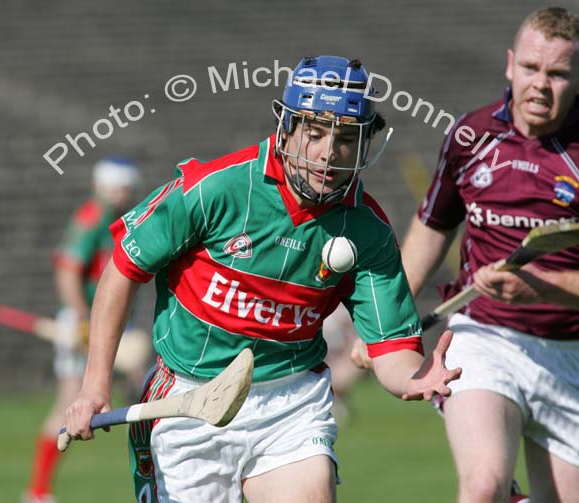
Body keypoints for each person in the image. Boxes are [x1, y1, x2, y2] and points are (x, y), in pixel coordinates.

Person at [65, 55, 461, 503]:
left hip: (290, 399)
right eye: (314, 133)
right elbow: (124, 267)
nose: (329, 152)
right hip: (189, 399)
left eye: (347, 138)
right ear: (286, 126)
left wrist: (414, 377)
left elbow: (391, 348)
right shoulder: (216, 188)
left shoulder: (367, 230)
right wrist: (95, 384)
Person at [400, 8, 579, 503]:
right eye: (530, 68)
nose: (540, 85)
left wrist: (541, 287)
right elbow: (432, 228)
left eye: (559, 73)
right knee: (482, 486)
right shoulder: (470, 136)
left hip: (570, 353)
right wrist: (384, 323)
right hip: (482, 336)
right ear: (509, 65)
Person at [23, 157, 141, 503]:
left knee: (144, 391)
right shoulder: (90, 219)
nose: (123, 194)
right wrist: (81, 319)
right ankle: (38, 492)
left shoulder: (113, 219)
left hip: (111, 323)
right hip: (84, 326)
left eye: (126, 188)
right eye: (118, 187)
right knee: (68, 402)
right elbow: (67, 271)